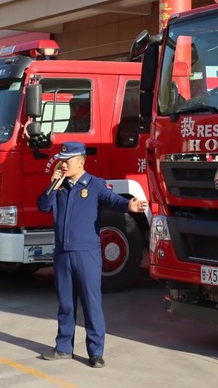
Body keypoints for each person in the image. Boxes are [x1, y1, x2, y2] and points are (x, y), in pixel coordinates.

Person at [37, 142, 147, 368]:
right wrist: (52, 187)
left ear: (81, 162)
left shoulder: (94, 184)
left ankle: (95, 352)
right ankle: (64, 347)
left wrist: (129, 205)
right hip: (63, 253)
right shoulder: (60, 187)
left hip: (86, 253)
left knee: (91, 303)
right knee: (66, 303)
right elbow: (42, 206)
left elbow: (113, 200)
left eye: (68, 160)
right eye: (62, 160)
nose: (63, 164)